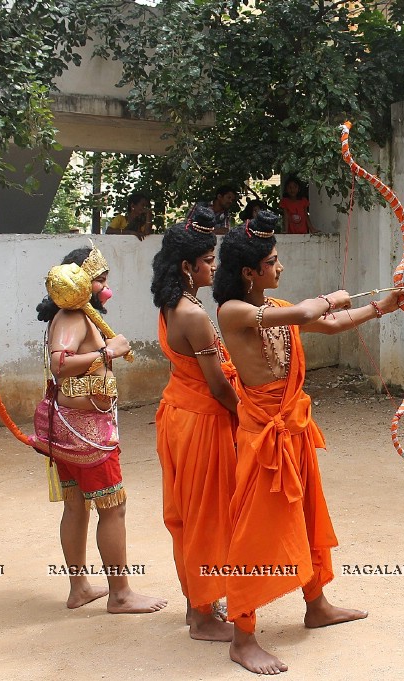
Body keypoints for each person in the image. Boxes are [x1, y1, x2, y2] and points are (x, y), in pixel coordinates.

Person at [214, 210, 404, 674]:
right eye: (273, 262)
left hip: (293, 430)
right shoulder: (233, 311)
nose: (279, 268)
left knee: (307, 517)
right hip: (264, 438)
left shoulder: (275, 307)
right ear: (249, 272)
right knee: (257, 533)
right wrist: (330, 297)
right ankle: (243, 636)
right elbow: (308, 312)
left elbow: (332, 324)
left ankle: (316, 604)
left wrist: (384, 306)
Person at [34, 245, 167, 613]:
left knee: (77, 506)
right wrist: (108, 352)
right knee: (113, 507)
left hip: (72, 427)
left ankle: (79, 588)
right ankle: (120, 594)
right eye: (100, 281)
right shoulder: (71, 318)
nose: (105, 288)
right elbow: (60, 364)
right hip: (86, 432)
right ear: (80, 283)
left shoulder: (76, 316)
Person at [151, 205, 240, 641]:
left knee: (187, 515)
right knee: (205, 517)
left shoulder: (172, 305)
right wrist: (248, 418)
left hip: (177, 418)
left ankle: (197, 606)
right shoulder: (194, 315)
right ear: (187, 266)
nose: (214, 267)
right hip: (202, 423)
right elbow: (219, 387)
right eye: (208, 260)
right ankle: (203, 617)